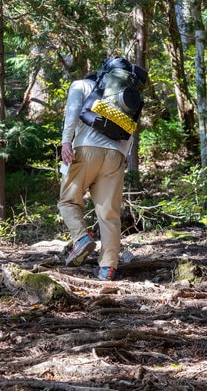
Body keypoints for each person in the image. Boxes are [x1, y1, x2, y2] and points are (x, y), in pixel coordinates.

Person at [58, 61, 144, 281]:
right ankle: (107, 268)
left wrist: (66, 142)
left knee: (68, 200)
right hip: (116, 156)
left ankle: (81, 239)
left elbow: (73, 113)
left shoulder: (81, 86)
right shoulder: (127, 97)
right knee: (109, 214)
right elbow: (129, 132)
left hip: (86, 149)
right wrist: (121, 158)